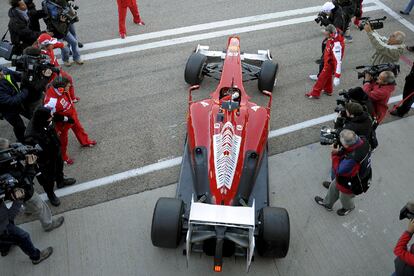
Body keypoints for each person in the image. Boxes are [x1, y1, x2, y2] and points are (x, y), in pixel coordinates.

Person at [0, 138, 65, 230]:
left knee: (27, 202)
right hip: (23, 191)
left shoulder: (5, 162)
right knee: (40, 205)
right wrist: (30, 165)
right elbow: (25, 182)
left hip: (17, 193)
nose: (11, 150)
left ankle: (28, 210)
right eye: (8, 149)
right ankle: (48, 224)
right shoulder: (7, 169)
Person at [25, 107, 76, 206]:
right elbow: (32, 155)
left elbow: (55, 116)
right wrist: (38, 172)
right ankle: (50, 194)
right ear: (43, 119)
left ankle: (61, 182)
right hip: (45, 159)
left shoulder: (46, 116)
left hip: (55, 149)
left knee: (59, 166)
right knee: (49, 178)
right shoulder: (31, 135)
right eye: (49, 117)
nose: (51, 118)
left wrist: (66, 119)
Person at [314, 130, 371, 216]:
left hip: (351, 183)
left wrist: (334, 154)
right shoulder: (363, 141)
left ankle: (348, 208)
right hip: (350, 177)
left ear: (347, 145)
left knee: (344, 198)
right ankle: (327, 204)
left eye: (341, 142)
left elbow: (339, 170)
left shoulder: (352, 160)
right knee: (333, 187)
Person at [44, 77, 96, 165]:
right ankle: (63, 157)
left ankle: (85, 141)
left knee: (79, 128)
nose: (70, 87)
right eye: (68, 86)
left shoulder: (60, 90)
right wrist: (64, 121)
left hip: (71, 114)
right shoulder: (51, 102)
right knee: (63, 142)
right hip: (62, 124)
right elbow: (48, 116)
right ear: (61, 88)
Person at [0, 189, 53, 264]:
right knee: (23, 237)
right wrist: (19, 200)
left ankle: (4, 249)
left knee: (4, 240)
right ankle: (36, 257)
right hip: (3, 227)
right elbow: (8, 217)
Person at [35, 33, 80, 102]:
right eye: (51, 44)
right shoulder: (42, 56)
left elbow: (57, 44)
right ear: (46, 46)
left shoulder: (48, 47)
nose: (53, 45)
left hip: (57, 71)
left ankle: (72, 98)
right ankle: (67, 101)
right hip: (51, 75)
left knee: (69, 80)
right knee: (60, 88)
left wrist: (62, 44)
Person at [306, 24, 344, 99]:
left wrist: (337, 76)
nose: (325, 35)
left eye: (326, 33)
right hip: (328, 61)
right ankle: (328, 90)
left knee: (321, 78)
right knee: (328, 76)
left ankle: (315, 93)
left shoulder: (336, 45)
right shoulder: (332, 36)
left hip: (330, 64)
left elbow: (338, 61)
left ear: (330, 33)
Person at [43, 0, 84, 66]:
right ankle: (65, 60)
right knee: (65, 49)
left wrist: (73, 15)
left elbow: (69, 10)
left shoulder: (62, 7)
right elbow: (60, 29)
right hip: (57, 34)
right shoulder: (53, 16)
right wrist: (63, 22)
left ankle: (77, 58)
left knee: (74, 42)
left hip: (65, 31)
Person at [20, 47, 54, 116]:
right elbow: (37, 87)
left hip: (38, 95)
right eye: (38, 55)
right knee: (39, 115)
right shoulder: (28, 72)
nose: (40, 57)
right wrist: (46, 77)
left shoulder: (35, 65)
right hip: (33, 99)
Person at [0, 66, 31, 142]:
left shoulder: (4, 71)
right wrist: (25, 90)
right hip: (7, 110)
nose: (2, 74)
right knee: (19, 126)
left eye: (0, 71)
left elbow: (18, 76)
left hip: (19, 102)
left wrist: (27, 77)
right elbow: (12, 101)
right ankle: (22, 141)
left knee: (31, 115)